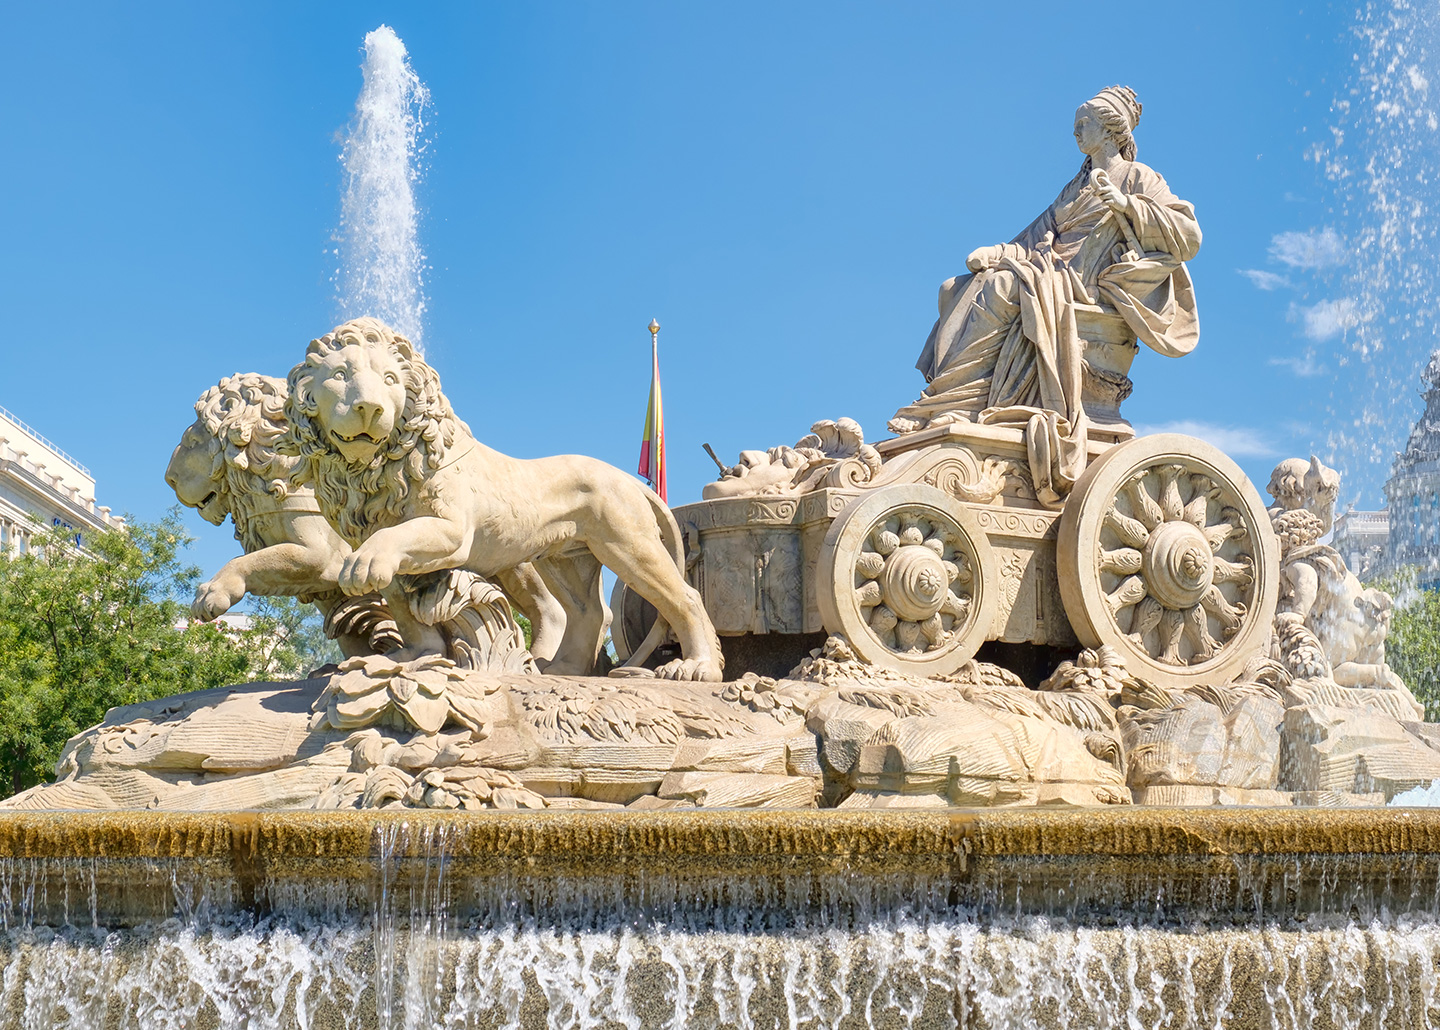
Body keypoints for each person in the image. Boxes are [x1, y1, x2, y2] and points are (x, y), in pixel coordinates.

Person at [889, 86, 1201, 506]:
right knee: (954, 288)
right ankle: (945, 402)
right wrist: (999, 252)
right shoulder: (1073, 188)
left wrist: (1128, 205)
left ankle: (954, 403)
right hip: (1050, 271)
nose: (1075, 131)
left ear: (1111, 129)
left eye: (1083, 123)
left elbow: (1188, 236)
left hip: (1085, 287)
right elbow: (1035, 238)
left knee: (1002, 286)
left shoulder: (1140, 177)